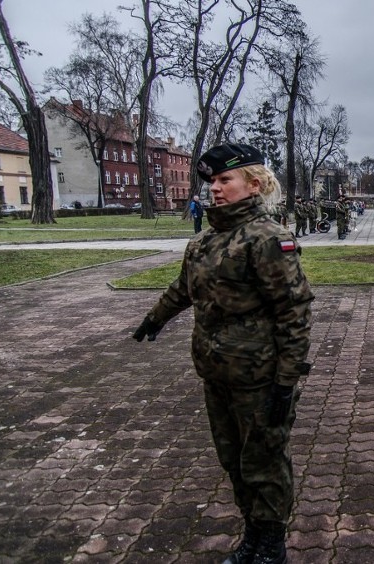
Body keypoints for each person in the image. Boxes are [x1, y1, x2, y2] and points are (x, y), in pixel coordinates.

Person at [132, 143, 314, 563]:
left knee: (263, 461)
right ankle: (252, 534)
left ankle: (271, 546)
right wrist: (156, 317)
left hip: (260, 376)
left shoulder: (267, 239)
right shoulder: (205, 240)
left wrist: (286, 383)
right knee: (233, 459)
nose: (214, 188)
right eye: (211, 181)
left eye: (224, 179)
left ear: (253, 183)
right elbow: (184, 288)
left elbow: (294, 313)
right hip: (216, 372)